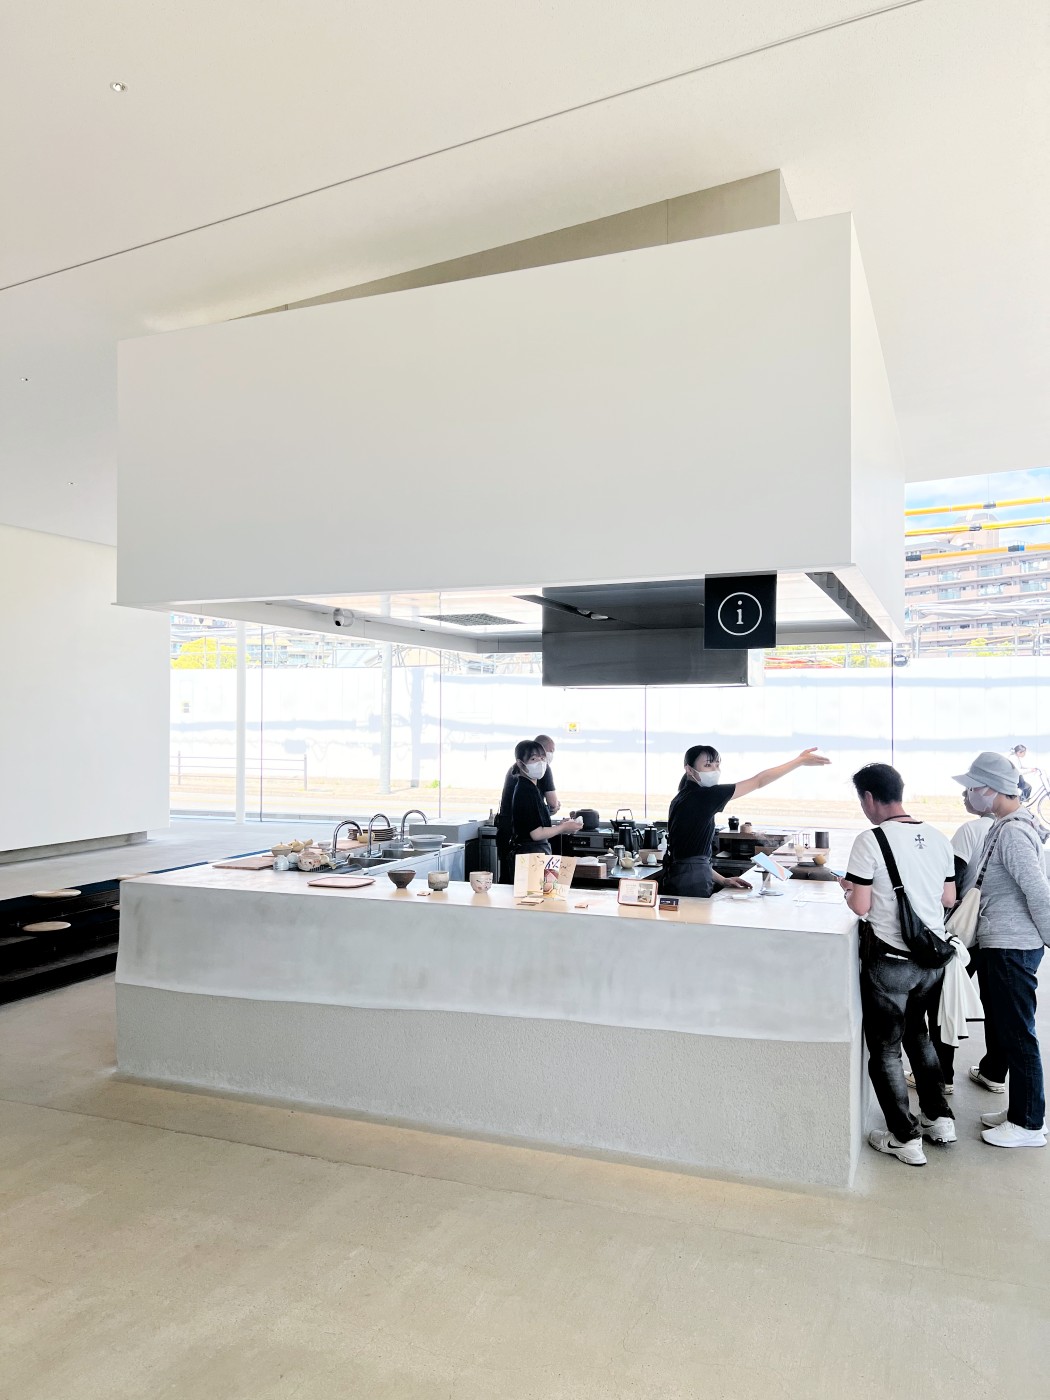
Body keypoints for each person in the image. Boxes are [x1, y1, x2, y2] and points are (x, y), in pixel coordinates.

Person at [841, 763, 956, 1166]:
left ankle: (905, 1138)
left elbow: (861, 907)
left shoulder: (870, 840)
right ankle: (939, 1119)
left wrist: (849, 890)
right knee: (919, 1036)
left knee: (886, 1049)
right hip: (931, 960)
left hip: (890, 960)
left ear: (869, 797)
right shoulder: (938, 837)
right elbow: (947, 898)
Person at [953, 751, 1050, 1148]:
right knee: (1008, 1030)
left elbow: (1037, 890)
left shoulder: (1013, 832)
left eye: (973, 788)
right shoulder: (1005, 825)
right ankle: (1019, 1111)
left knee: (1017, 1034)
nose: (970, 795)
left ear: (991, 789)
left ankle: (1029, 1124)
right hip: (1002, 943)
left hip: (1013, 946)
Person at [663, 744, 830, 898]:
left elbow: (691, 858)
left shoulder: (680, 798)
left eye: (717, 765)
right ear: (689, 770)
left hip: (679, 878)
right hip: (692, 883)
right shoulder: (705, 796)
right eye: (708, 765)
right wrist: (799, 761)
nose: (715, 770)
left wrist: (723, 880)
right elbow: (759, 781)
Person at [508, 739, 581, 860]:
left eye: (542, 758)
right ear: (520, 764)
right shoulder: (525, 790)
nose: (540, 763)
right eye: (533, 759)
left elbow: (536, 826)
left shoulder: (532, 788)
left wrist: (561, 825)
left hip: (534, 853)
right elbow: (536, 834)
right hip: (530, 855)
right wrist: (562, 828)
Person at [534, 734, 560, 813]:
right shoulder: (543, 767)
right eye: (551, 751)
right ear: (541, 749)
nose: (552, 755)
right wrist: (556, 806)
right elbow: (553, 803)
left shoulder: (516, 767)